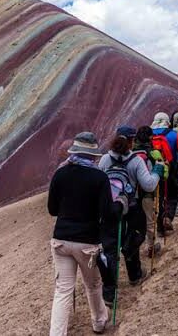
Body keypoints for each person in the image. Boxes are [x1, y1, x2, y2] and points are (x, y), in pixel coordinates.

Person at [48, 131, 112, 335]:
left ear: (74, 151)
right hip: (87, 242)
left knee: (62, 290)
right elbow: (106, 212)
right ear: (93, 155)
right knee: (92, 284)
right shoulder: (100, 178)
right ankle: (99, 321)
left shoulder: (60, 173)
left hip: (61, 240)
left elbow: (52, 210)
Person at [97, 126, 164, 301]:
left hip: (109, 208)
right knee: (132, 239)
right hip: (131, 206)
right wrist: (157, 171)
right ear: (131, 141)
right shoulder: (135, 161)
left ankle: (109, 292)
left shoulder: (105, 159)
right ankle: (135, 275)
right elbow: (149, 185)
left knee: (110, 249)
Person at [151, 112, 178, 232]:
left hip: (151, 170)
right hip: (170, 169)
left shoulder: (149, 134)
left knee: (158, 198)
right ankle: (167, 217)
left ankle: (159, 228)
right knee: (171, 195)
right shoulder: (173, 135)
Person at [133, 126, 163, 256]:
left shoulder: (130, 152)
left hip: (132, 194)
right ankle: (151, 246)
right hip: (147, 192)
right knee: (150, 219)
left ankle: (133, 247)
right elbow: (164, 173)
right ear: (150, 137)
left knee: (134, 221)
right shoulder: (153, 153)